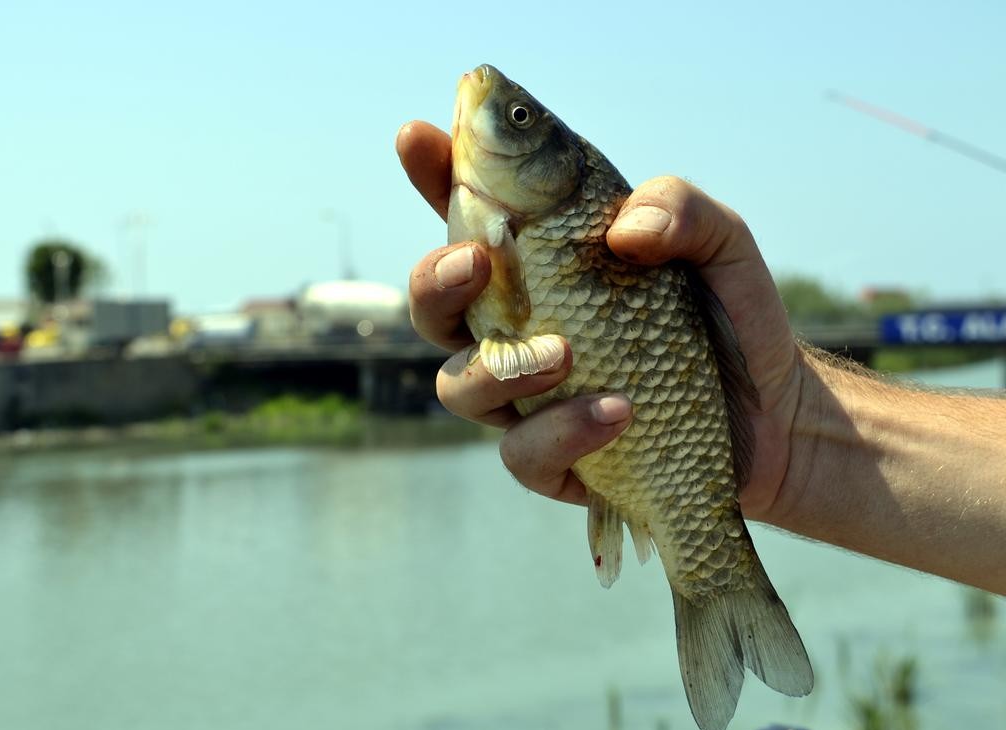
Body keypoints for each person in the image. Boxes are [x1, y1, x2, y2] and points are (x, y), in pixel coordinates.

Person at [396, 120, 1006, 596]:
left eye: (519, 119)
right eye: (519, 119)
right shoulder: (501, 214)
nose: (501, 119)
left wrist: (795, 430)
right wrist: (792, 431)